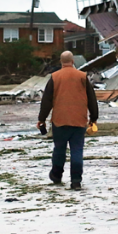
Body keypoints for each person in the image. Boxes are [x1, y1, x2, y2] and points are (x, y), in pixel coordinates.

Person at [38, 51, 98, 190]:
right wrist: (93, 118)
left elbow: (47, 101)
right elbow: (92, 99)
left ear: (61, 62)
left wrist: (41, 119)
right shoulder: (82, 76)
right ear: (72, 61)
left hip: (60, 120)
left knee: (59, 149)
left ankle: (56, 175)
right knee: (77, 150)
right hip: (79, 120)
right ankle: (76, 180)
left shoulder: (54, 77)